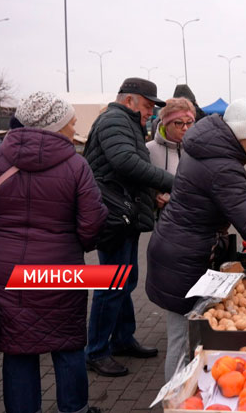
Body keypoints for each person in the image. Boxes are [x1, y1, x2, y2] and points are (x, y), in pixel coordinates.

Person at [0, 92, 107, 413]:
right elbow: (93, 222)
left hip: (5, 273)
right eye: (70, 122)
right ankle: (74, 409)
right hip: (61, 270)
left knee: (18, 348)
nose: (74, 127)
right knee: (68, 344)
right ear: (55, 124)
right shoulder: (76, 164)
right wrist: (80, 242)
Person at [146, 99, 246, 380]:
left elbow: (225, 203)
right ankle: (173, 402)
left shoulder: (209, 150)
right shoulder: (223, 166)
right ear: (243, 134)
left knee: (184, 334)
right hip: (184, 257)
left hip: (178, 246)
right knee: (183, 338)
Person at [83, 77, 174, 377]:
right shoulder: (114, 120)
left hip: (123, 213)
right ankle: (96, 350)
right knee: (112, 283)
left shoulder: (124, 121)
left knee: (125, 279)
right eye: (148, 106)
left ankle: (122, 338)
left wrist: (150, 193)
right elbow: (125, 162)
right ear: (129, 100)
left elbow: (127, 169)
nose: (150, 112)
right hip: (113, 215)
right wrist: (169, 181)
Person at [146, 97, 196, 176]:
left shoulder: (199, 150)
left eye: (189, 122)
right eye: (179, 123)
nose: (185, 128)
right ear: (166, 125)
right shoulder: (148, 150)